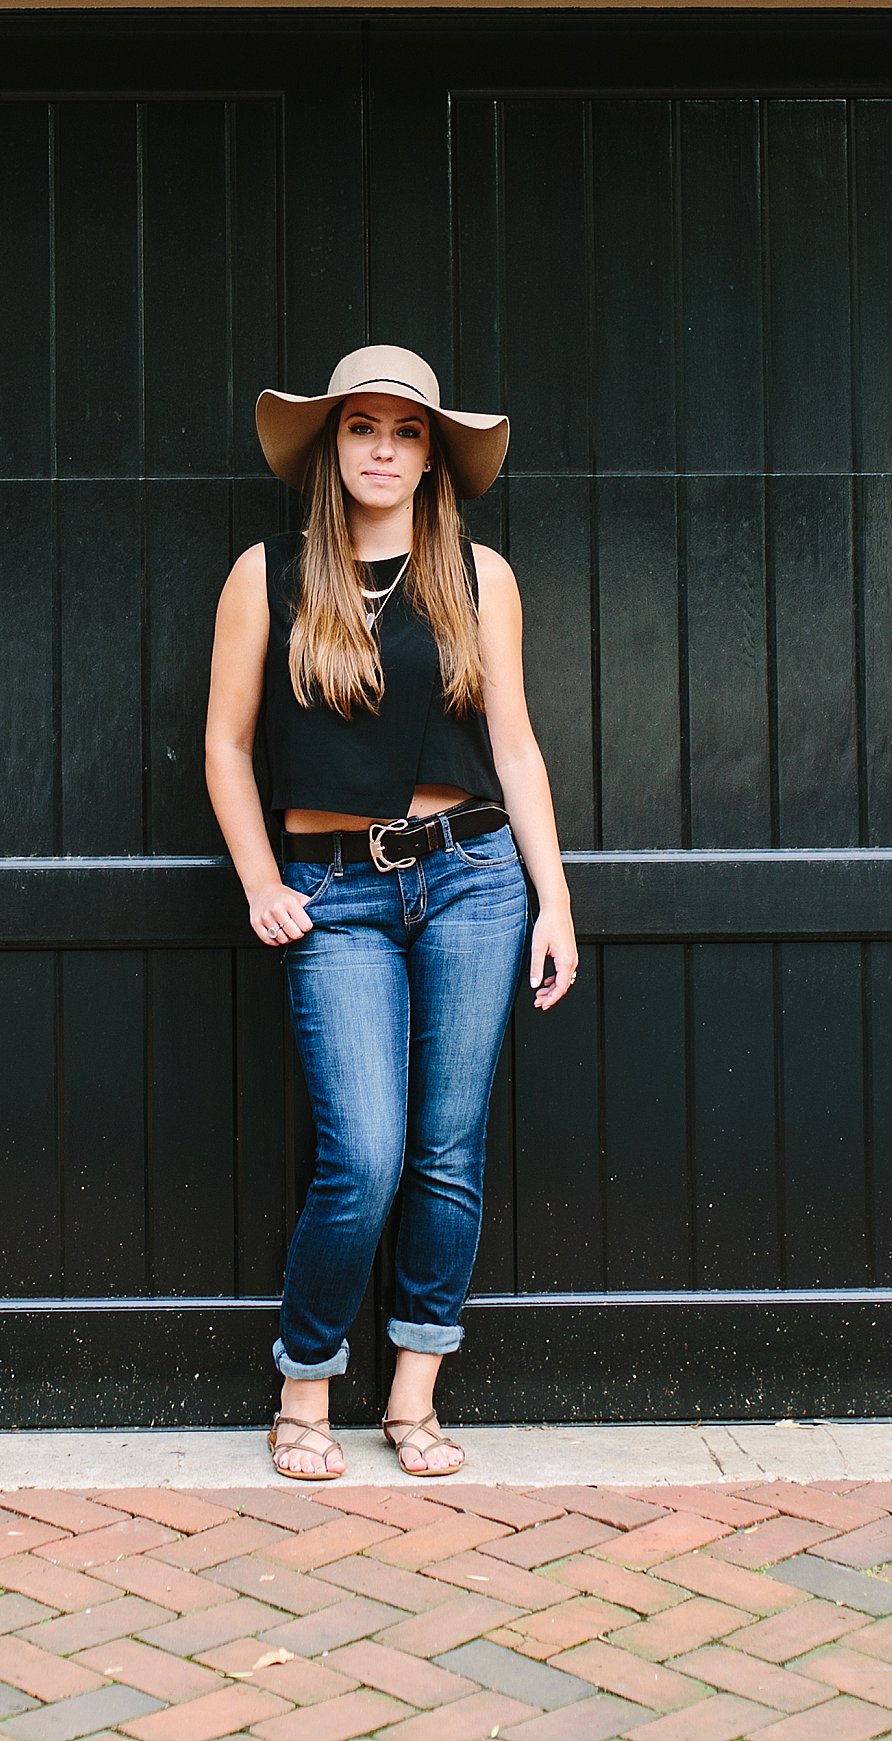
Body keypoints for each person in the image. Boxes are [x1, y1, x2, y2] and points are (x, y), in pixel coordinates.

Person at [202, 344, 581, 1480]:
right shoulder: (265, 572)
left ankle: (413, 1391)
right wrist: (261, 880)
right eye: (361, 426)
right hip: (334, 892)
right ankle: (304, 1383)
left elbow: (512, 744)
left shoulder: (479, 576)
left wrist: (553, 899)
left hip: (474, 877)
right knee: (360, 1155)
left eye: (406, 430)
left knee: (445, 1152)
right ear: (331, 446)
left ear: (431, 456)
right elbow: (224, 746)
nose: (382, 446)